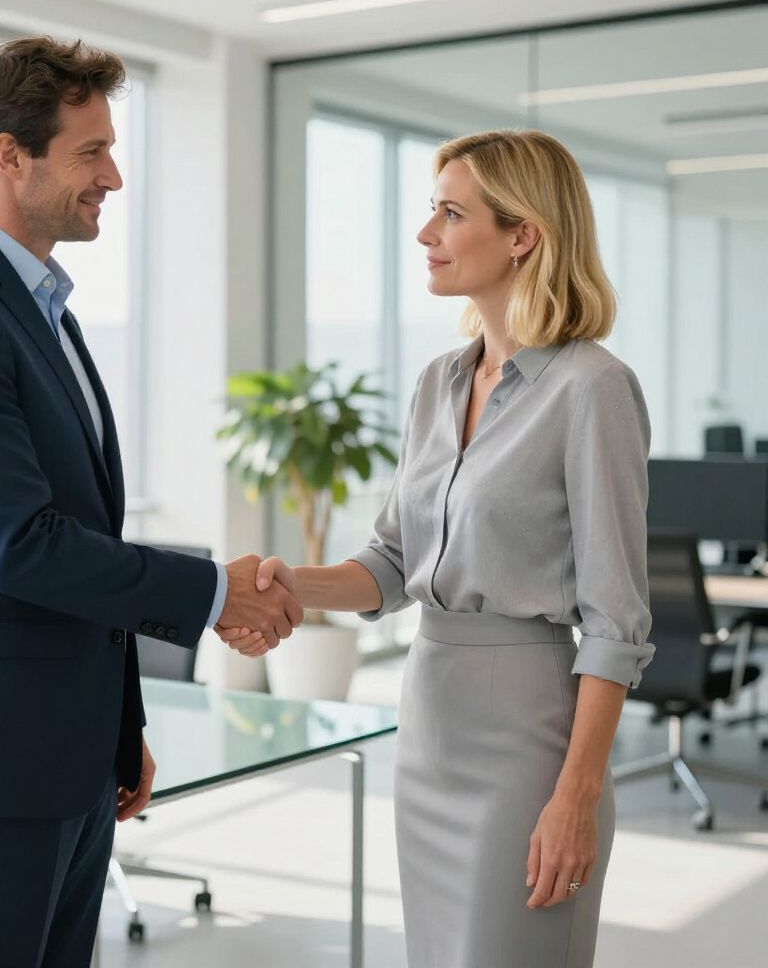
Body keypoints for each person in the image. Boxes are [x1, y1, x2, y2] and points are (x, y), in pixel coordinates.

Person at [0, 36, 301, 968]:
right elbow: (20, 544)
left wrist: (117, 729)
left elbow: (77, 531)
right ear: (9, 156)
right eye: (90, 151)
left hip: (63, 753)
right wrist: (217, 592)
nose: (114, 177)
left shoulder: (37, 308)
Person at [221, 130, 656, 967]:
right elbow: (392, 563)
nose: (426, 234)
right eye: (433, 211)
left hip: (528, 741)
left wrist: (576, 794)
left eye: (452, 214)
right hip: (429, 730)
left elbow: (615, 623)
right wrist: (285, 582)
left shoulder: (592, 388)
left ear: (523, 234)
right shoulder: (439, 382)